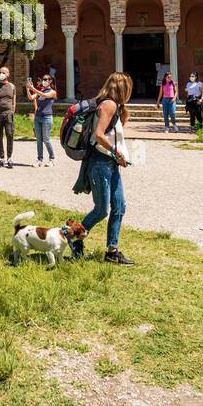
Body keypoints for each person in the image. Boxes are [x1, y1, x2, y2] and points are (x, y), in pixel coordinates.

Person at [79, 72, 135, 266]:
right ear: (121, 87)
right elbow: (99, 135)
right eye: (127, 87)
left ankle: (112, 251)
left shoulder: (115, 106)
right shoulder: (109, 104)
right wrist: (116, 152)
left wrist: (121, 156)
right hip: (100, 163)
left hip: (111, 163)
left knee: (119, 207)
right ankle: (74, 238)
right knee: (102, 210)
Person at [27, 73, 57, 166]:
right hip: (38, 117)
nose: (44, 81)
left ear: (50, 81)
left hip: (47, 118)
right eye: (43, 79)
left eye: (46, 79)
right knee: (39, 139)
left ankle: (52, 159)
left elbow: (44, 95)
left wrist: (32, 88)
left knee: (46, 139)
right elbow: (31, 97)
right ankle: (39, 160)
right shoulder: (41, 90)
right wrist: (27, 89)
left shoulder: (52, 92)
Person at [0, 65, 16, 168]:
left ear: (8, 74)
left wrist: (12, 112)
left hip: (8, 114)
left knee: (10, 135)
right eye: (0, 72)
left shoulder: (12, 86)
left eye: (3, 72)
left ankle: (9, 158)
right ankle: (1, 159)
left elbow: (14, 102)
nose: (1, 74)